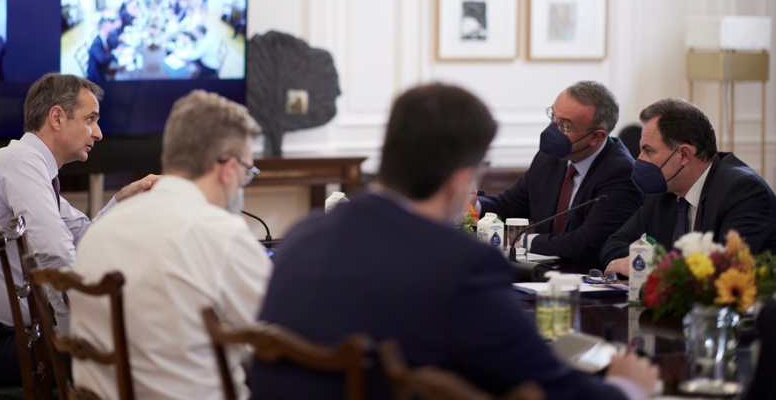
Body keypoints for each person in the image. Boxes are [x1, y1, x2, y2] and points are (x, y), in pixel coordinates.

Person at [251, 83, 659, 400]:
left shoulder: (304, 235)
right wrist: (625, 386)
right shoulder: (461, 267)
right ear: (463, 178)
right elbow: (550, 386)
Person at [0, 73, 158, 386]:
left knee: (130, 349)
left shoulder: (27, 164)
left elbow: (81, 239)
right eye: (90, 119)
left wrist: (121, 200)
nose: (99, 133)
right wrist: (76, 334)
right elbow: (56, 256)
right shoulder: (21, 163)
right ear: (57, 117)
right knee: (132, 357)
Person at [71, 90, 272, 399]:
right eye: (247, 172)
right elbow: (279, 336)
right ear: (228, 168)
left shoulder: (99, 231)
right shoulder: (218, 233)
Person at [601, 98, 776, 275]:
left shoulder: (743, 192)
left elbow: (725, 271)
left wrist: (649, 266)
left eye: (648, 151)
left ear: (684, 155)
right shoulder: (661, 190)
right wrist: (645, 263)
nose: (639, 159)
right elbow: (613, 246)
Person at [477, 81, 642, 267]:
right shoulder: (550, 157)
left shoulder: (622, 174)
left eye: (564, 126)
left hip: (586, 280)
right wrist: (473, 205)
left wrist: (523, 241)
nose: (552, 130)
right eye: (553, 117)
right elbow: (511, 204)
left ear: (597, 136)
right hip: (541, 273)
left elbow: (584, 245)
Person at [86, 15, 120, 83]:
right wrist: (115, 53)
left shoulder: (105, 38)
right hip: (97, 76)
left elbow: (113, 45)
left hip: (105, 67)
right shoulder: (96, 43)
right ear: (104, 29)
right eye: (110, 28)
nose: (112, 30)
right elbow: (102, 59)